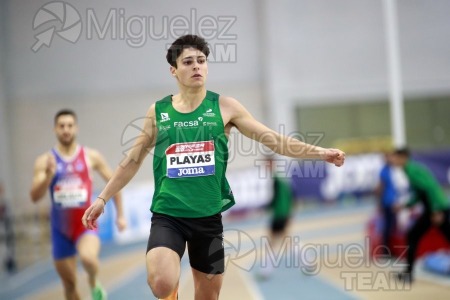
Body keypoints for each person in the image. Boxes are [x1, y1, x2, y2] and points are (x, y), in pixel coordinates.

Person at [82, 34, 345, 300]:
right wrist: (103, 197)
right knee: (162, 282)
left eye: (201, 60)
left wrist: (320, 152)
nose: (196, 66)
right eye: (188, 62)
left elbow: (274, 140)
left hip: (208, 218)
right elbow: (133, 159)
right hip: (168, 214)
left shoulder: (225, 107)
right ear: (173, 70)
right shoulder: (158, 111)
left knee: (208, 296)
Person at [30, 109, 126, 300]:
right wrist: (48, 176)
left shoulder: (91, 156)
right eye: (61, 126)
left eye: (70, 126)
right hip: (60, 231)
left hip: (85, 224)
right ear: (55, 129)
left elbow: (114, 183)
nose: (66, 130)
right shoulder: (45, 161)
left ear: (76, 128)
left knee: (88, 259)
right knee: (70, 285)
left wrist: (120, 215)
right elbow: (35, 196)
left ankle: (93, 281)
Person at [393, 147, 450, 282]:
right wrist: (405, 206)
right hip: (432, 208)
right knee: (413, 235)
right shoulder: (410, 169)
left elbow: (429, 188)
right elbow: (420, 193)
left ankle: (408, 273)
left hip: (436, 208)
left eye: (395, 157)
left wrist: (436, 210)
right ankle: (408, 273)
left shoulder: (412, 171)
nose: (394, 160)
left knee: (412, 236)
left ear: (403, 157)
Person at [375, 151, 409, 256]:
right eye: (388, 157)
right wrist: (379, 203)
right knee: (388, 228)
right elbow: (380, 188)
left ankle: (393, 250)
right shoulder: (385, 171)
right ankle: (386, 251)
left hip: (395, 202)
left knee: (394, 227)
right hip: (388, 203)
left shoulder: (394, 170)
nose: (391, 159)